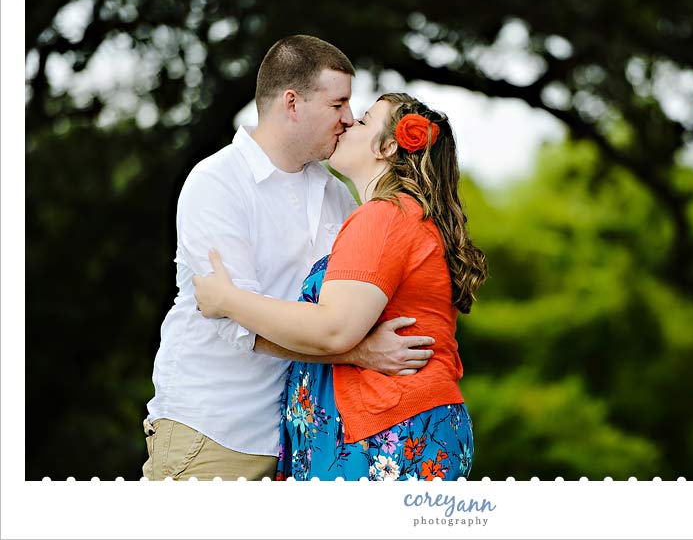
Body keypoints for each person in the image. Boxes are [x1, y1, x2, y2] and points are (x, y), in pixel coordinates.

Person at [143, 36, 435, 481]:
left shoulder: (338, 194)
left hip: (301, 440)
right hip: (216, 430)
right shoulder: (217, 183)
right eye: (338, 104)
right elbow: (236, 323)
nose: (348, 118)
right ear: (292, 103)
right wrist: (358, 353)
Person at [194, 92, 488, 481]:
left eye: (364, 121)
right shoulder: (403, 216)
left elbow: (332, 328)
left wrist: (229, 300)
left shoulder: (384, 217)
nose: (349, 123)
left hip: (385, 429)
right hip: (391, 423)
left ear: (386, 147)